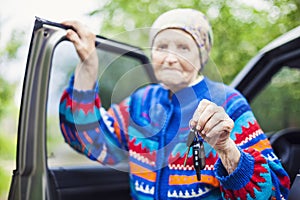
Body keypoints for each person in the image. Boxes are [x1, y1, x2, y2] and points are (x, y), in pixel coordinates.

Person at [59, 8, 290, 199]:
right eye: (162, 47)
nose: (170, 58)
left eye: (183, 48)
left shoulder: (228, 103)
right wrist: (88, 67)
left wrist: (227, 149)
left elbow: (273, 194)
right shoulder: (141, 103)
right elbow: (87, 138)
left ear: (201, 57)